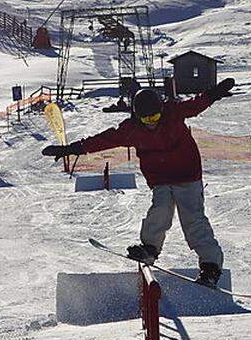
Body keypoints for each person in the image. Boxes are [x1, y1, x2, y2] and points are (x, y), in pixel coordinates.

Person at [42, 79, 237, 287]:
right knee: (159, 211)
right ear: (137, 116)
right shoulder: (132, 129)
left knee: (193, 219)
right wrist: (72, 149)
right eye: (146, 118)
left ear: (161, 110)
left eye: (155, 116)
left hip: (187, 176)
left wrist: (214, 93)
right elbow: (103, 140)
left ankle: (211, 266)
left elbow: (196, 104)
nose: (151, 121)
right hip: (161, 179)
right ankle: (150, 249)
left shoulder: (173, 113)